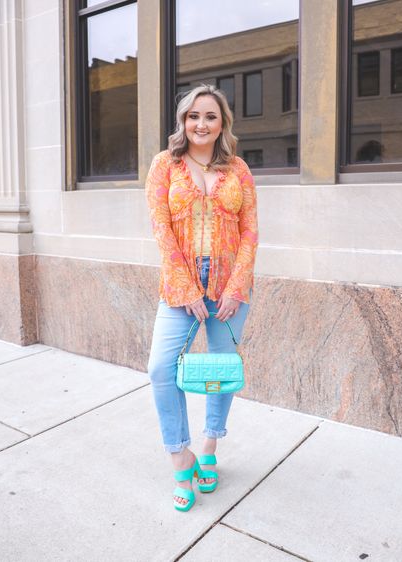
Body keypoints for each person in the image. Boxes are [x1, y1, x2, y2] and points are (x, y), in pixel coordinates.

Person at [145, 83, 258, 512]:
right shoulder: (165, 166)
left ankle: (209, 447)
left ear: (222, 123)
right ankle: (181, 458)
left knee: (220, 370)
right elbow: (161, 229)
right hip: (180, 288)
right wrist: (187, 286)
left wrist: (235, 287)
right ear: (183, 121)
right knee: (159, 368)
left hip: (232, 290)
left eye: (210, 116)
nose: (201, 124)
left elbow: (250, 231)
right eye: (194, 116)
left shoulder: (240, 170)